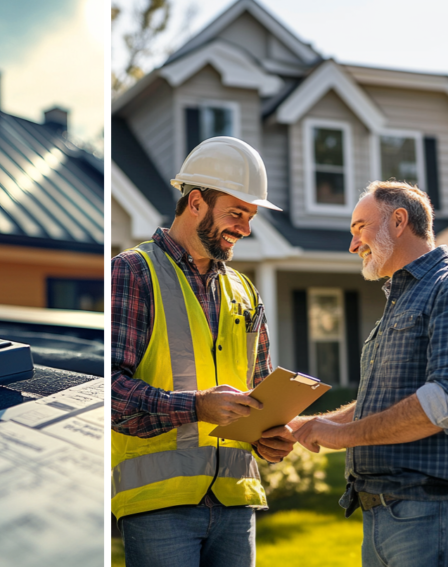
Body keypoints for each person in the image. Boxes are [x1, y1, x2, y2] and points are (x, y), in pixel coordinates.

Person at [111, 136, 296, 566]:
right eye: (237, 213)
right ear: (195, 203)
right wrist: (197, 408)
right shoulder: (133, 273)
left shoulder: (245, 291)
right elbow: (111, 393)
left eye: (250, 216)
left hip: (236, 500)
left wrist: (269, 435)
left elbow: (259, 391)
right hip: (159, 506)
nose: (245, 229)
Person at [292, 181, 448, 567]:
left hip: (428, 513)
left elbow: (443, 399)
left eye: (360, 227)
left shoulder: (443, 287)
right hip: (381, 515)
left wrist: (342, 436)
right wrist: (307, 425)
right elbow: (386, 401)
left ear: (398, 221)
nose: (352, 244)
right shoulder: (403, 298)